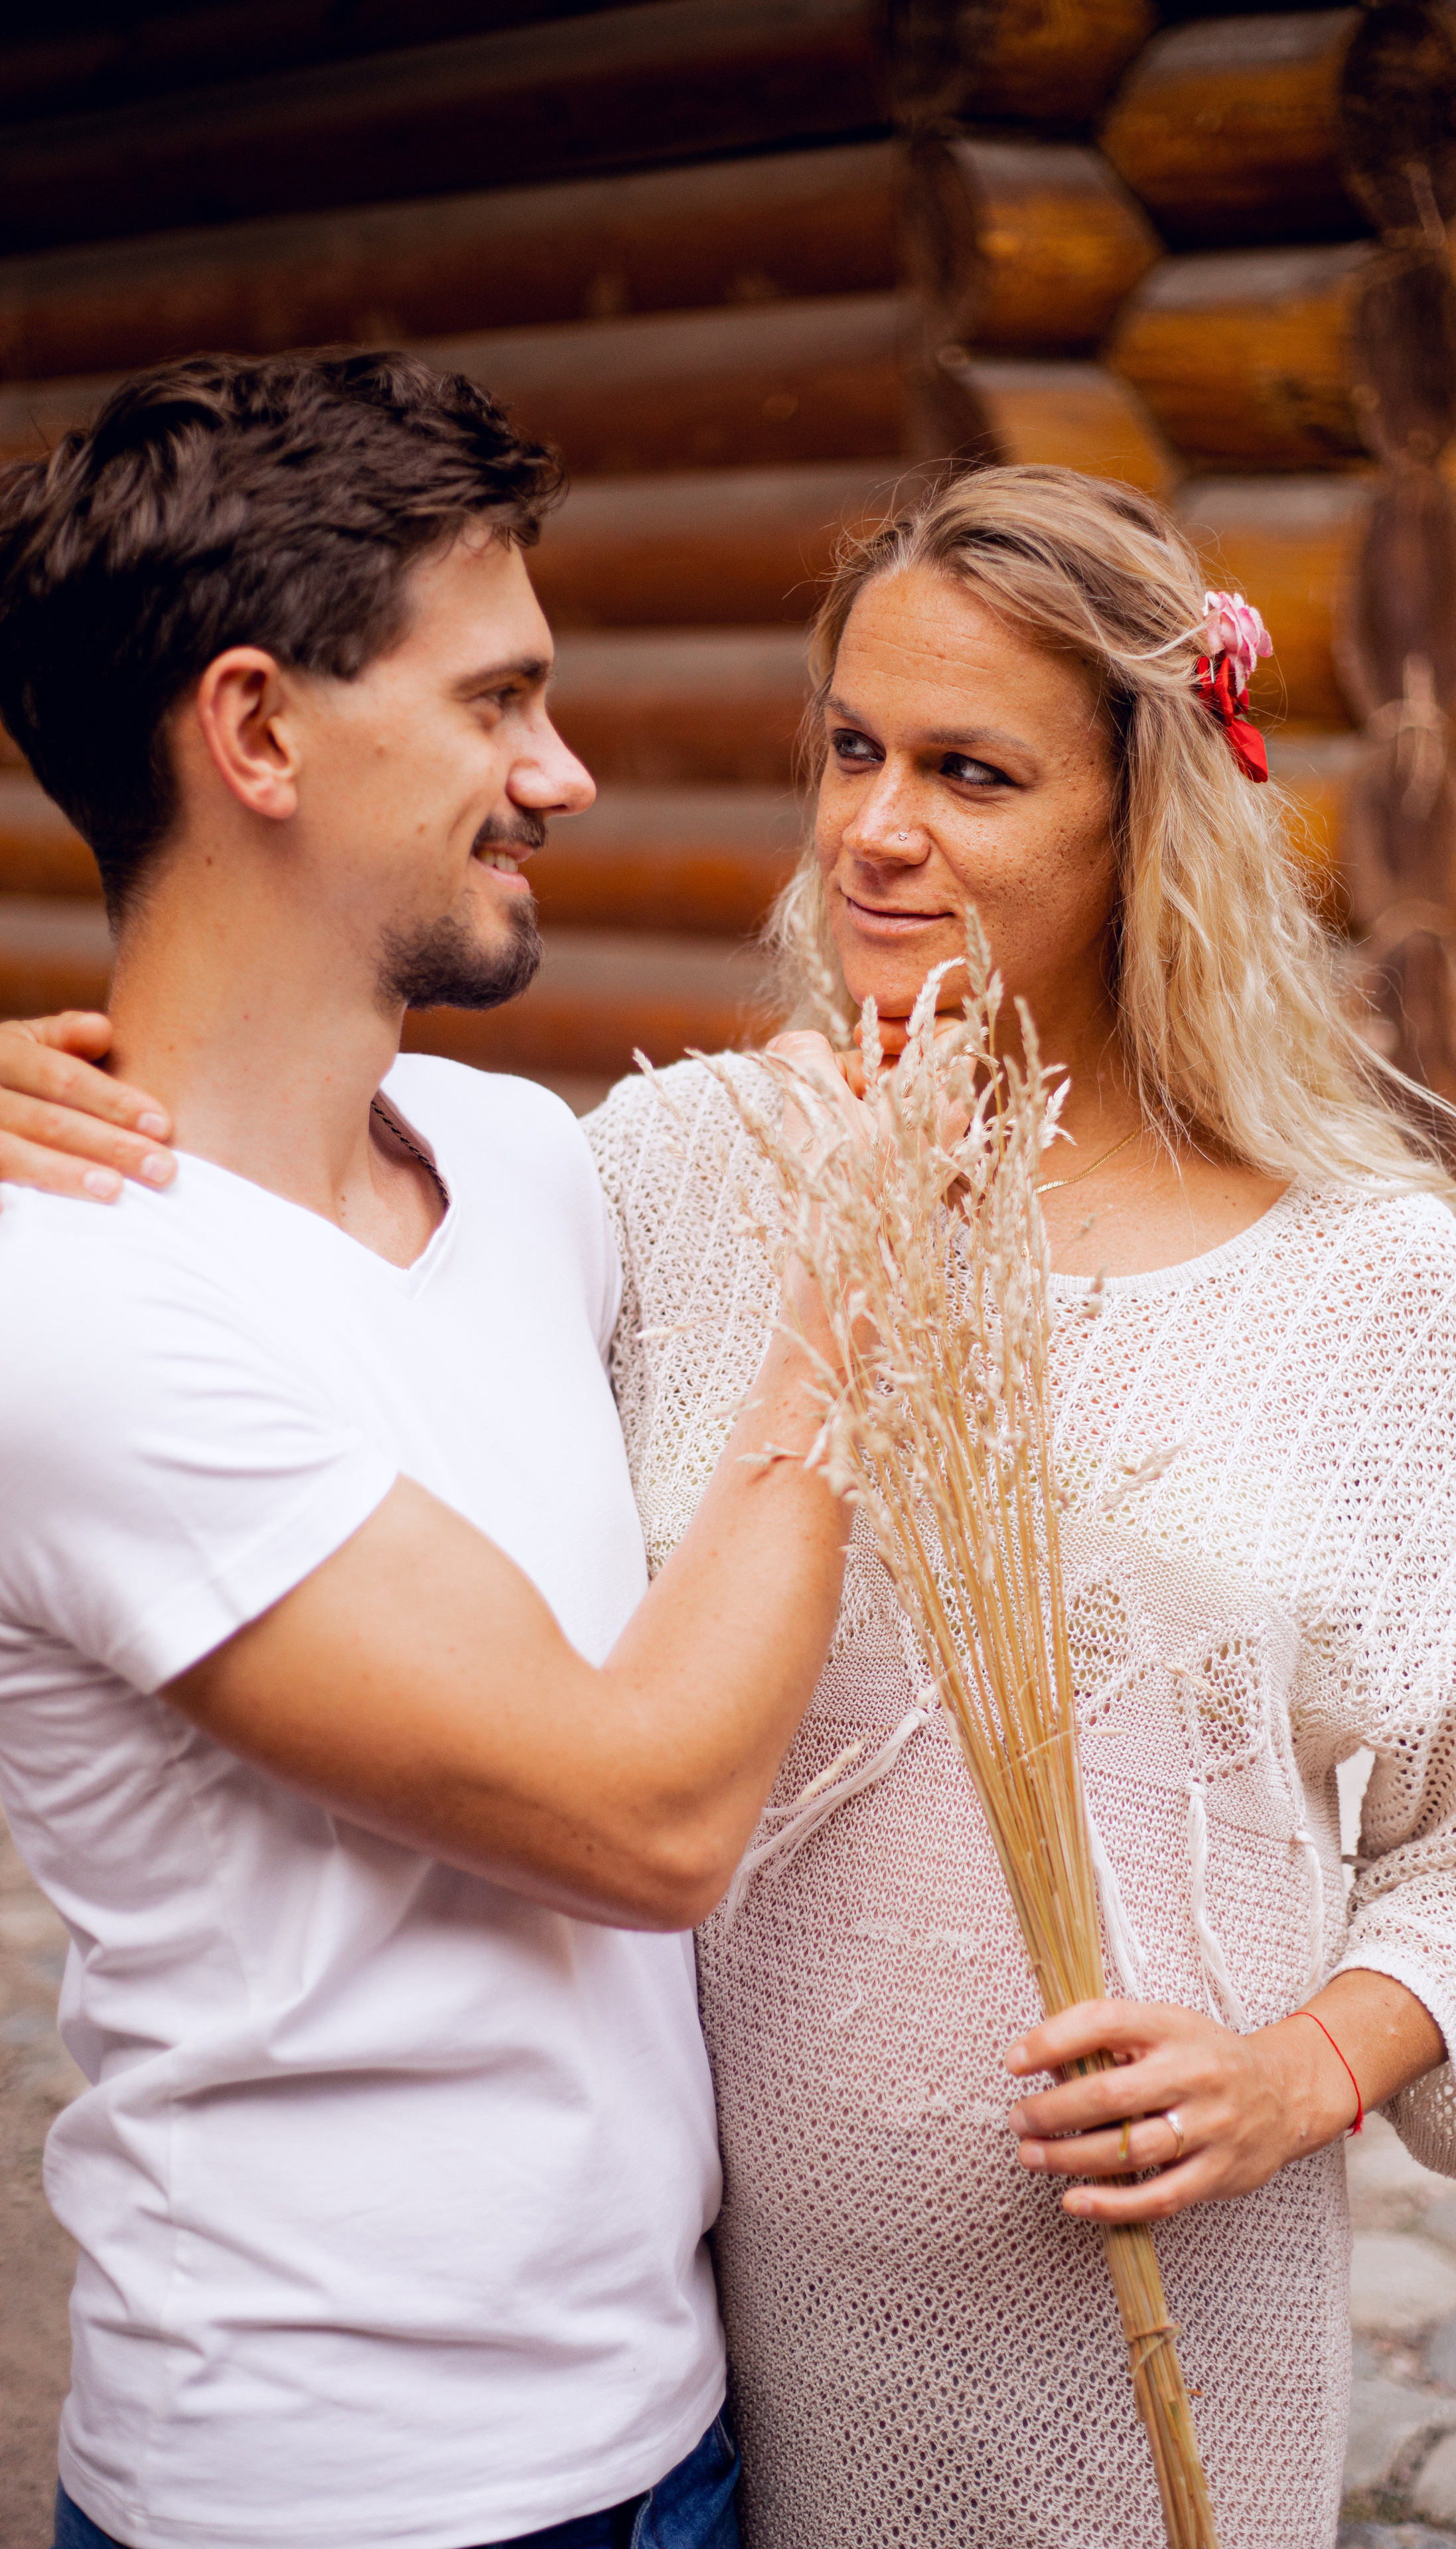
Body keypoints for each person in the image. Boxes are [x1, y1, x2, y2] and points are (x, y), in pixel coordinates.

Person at [5, 467, 1456, 2548]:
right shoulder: (669, 1181)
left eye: (971, 771)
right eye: (852, 749)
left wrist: (1300, 2072)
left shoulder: (1360, 1288)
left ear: (1146, 820)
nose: (875, 827)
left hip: (1158, 2332)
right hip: (738, 2377)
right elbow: (279, 1166)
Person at [0, 350, 858, 2549]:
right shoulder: (74, 1311)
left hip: (671, 2429)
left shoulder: (521, 1162)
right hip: (337, 2492)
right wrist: (870, 1304)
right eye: (496, 702)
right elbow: (648, 1816)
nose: (561, 774)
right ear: (260, 732)